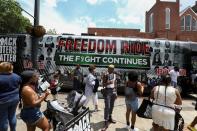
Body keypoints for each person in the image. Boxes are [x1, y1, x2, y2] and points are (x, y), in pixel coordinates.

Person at [0, 62, 21, 131]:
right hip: (15, 98)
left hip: (3, 101)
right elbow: (19, 86)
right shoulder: (16, 76)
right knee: (12, 115)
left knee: (3, 118)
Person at [102, 64, 117, 129]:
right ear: (108, 69)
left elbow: (115, 83)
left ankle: (110, 117)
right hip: (107, 91)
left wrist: (116, 92)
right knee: (107, 106)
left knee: (112, 105)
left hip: (113, 91)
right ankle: (106, 121)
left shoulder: (114, 75)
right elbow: (103, 84)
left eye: (112, 69)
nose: (111, 70)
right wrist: (108, 83)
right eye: (110, 68)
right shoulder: (105, 75)